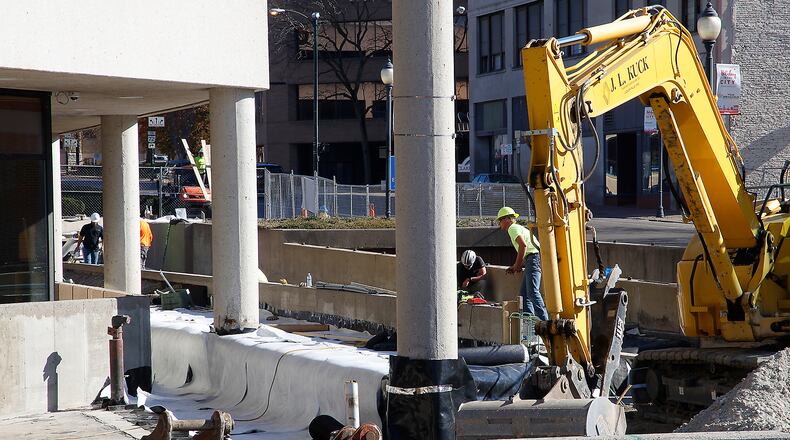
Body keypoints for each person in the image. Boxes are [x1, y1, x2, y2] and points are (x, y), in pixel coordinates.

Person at [498, 206, 548, 320]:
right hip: (532, 259)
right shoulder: (518, 227)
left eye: (500, 221)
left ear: (506, 219)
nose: (499, 225)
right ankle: (530, 322)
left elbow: (523, 246)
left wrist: (517, 265)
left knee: (532, 292)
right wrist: (520, 264)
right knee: (524, 296)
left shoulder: (512, 228)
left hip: (533, 259)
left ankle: (545, 321)